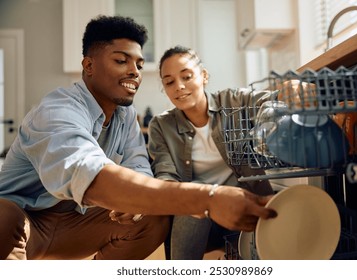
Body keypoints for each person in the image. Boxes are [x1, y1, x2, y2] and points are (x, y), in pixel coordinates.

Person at [0, 16, 276, 260]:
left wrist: (132, 206)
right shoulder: (56, 110)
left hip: (76, 223)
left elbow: (139, 169)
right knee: (3, 216)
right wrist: (209, 198)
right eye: (121, 60)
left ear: (203, 77)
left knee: (151, 217)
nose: (134, 71)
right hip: (24, 223)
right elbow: (91, 177)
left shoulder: (125, 116)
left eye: (139, 64)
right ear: (88, 65)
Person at [148, 45, 275, 260]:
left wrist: (273, 114)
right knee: (192, 199)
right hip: (198, 218)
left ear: (204, 76)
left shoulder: (233, 101)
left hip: (244, 209)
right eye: (169, 82)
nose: (179, 86)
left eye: (187, 76)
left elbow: (267, 102)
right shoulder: (161, 126)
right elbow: (165, 174)